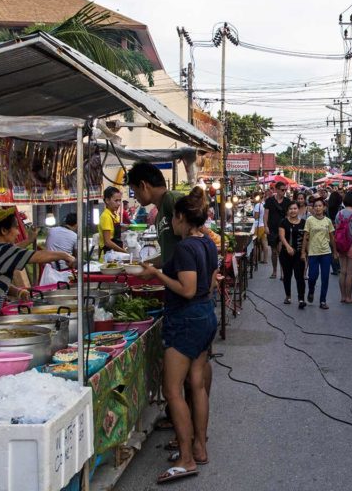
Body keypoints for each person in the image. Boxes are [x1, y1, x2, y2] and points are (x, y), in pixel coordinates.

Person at [140, 187, 218, 483]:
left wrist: (157, 275)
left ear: (183, 217)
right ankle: (199, 447)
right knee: (196, 385)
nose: (171, 223)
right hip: (204, 314)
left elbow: (186, 288)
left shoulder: (185, 248)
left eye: (173, 217)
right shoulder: (207, 242)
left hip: (186, 320)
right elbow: (208, 284)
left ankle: (186, 460)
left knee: (173, 390)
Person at [302, 198, 337, 309]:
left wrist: (335, 252)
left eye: (320, 206)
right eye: (315, 206)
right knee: (312, 276)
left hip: (326, 252)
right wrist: (303, 251)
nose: (317, 208)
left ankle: (323, 301)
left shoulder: (328, 221)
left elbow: (332, 237)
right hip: (313, 252)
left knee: (325, 278)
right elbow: (305, 237)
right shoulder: (309, 220)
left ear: (324, 207)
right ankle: (311, 290)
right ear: (313, 208)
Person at [335, 191, 352, 305]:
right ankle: (349, 297)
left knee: (343, 271)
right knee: (350, 273)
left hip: (341, 245)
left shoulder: (339, 214)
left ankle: (342, 296)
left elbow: (337, 230)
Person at [279, 201, 307, 308]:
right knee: (287, 275)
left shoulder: (304, 223)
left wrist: (304, 252)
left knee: (299, 276)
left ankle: (301, 299)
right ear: (287, 211)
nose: (293, 211)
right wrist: (288, 247)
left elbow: (305, 238)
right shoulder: (283, 222)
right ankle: (288, 296)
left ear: (298, 210)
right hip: (286, 253)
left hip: (299, 254)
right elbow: (282, 236)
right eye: (290, 209)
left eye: (295, 208)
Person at [263, 182, 290, 279]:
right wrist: (265, 226)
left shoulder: (287, 201)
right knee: (274, 251)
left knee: (281, 251)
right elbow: (266, 214)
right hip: (272, 229)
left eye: (285, 190)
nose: (284, 192)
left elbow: (288, 215)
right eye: (282, 190)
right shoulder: (269, 201)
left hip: (283, 229)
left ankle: (283, 272)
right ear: (277, 190)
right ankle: (274, 271)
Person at [99, 186, 128, 261]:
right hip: (107, 256)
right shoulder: (106, 216)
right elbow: (107, 242)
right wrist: (124, 252)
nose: (118, 204)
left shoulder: (115, 215)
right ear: (107, 200)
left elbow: (115, 233)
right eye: (116, 201)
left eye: (120, 200)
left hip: (115, 254)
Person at [251, 193, 268, 265]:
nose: (253, 200)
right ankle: (265, 259)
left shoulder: (257, 205)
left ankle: (254, 260)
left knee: (255, 244)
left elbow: (256, 217)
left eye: (253, 198)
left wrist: (252, 217)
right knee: (264, 243)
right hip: (263, 225)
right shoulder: (264, 204)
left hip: (258, 226)